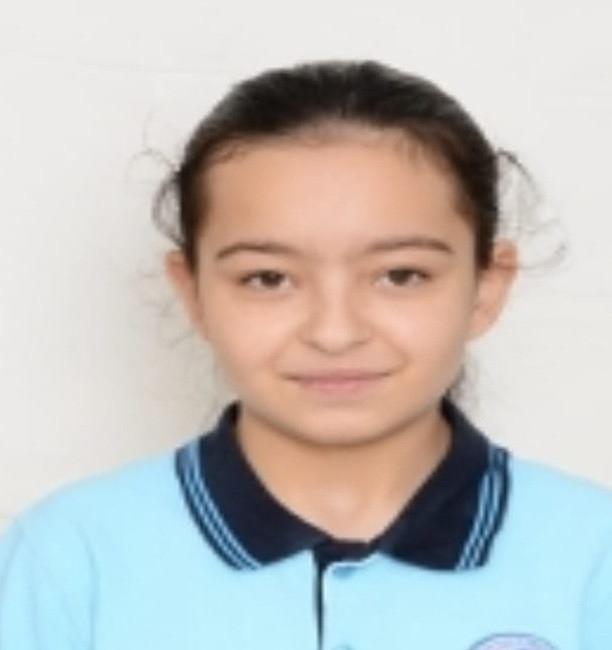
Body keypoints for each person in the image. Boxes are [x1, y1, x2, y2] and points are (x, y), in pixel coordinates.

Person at [0, 59, 610, 650]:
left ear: (486, 288)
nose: (334, 333)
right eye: (268, 279)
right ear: (193, 293)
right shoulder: (69, 558)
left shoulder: (593, 554)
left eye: (401, 275)